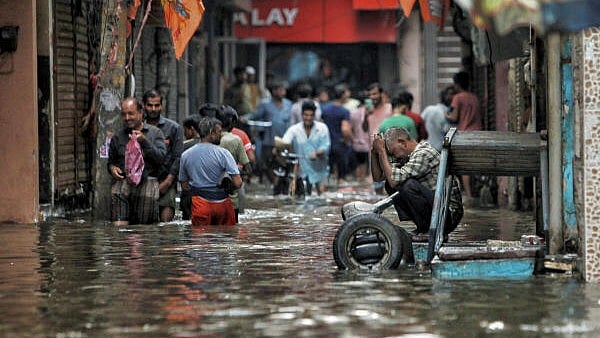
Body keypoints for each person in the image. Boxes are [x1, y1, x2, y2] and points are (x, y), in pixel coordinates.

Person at [371, 127, 463, 236]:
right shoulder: (407, 157)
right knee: (391, 185)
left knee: (407, 185)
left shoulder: (423, 153)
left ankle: (429, 230)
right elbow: (378, 177)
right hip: (438, 211)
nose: (394, 156)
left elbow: (394, 180)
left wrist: (382, 151)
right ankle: (423, 228)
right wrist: (374, 152)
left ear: (403, 143)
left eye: (393, 152)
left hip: (447, 215)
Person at [108, 97, 167, 225]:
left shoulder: (155, 133)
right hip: (123, 186)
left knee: (142, 232)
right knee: (119, 230)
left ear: (140, 113)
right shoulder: (118, 137)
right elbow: (111, 162)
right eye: (124, 114)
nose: (127, 118)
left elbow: (161, 159)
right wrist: (112, 169)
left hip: (147, 185)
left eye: (131, 113)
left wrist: (144, 141)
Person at [179, 117, 242, 226]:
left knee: (201, 240)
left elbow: (184, 186)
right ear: (211, 133)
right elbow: (238, 183)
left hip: (200, 204)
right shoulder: (223, 154)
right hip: (222, 205)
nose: (221, 135)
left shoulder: (186, 155)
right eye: (218, 132)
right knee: (226, 239)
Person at [143, 89, 184, 222]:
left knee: (165, 227)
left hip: (166, 181)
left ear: (162, 106)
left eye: (157, 105)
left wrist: (168, 182)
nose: (153, 109)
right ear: (144, 105)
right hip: (143, 182)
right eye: (150, 105)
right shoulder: (137, 127)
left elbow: (177, 157)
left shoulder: (173, 128)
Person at [280, 101, 330, 195]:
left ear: (314, 115)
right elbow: (285, 141)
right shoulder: (294, 129)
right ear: (302, 115)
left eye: (311, 115)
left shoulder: (322, 128)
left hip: (319, 168)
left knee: (322, 196)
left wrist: (317, 153)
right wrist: (280, 146)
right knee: (299, 195)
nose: (308, 118)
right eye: (306, 115)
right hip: (301, 169)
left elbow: (326, 145)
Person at [445, 71, 482, 199]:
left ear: (457, 84)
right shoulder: (474, 97)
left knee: (465, 166)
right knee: (475, 163)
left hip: (465, 134)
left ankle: (469, 195)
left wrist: (446, 115)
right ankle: (475, 191)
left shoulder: (458, 97)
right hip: (478, 134)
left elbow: (454, 117)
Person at [248, 81, 292, 185]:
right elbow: (254, 116)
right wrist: (245, 118)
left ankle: (280, 184)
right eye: (280, 90)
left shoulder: (288, 104)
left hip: (283, 140)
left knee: (284, 165)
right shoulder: (265, 104)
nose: (282, 92)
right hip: (269, 139)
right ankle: (274, 183)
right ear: (274, 91)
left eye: (283, 90)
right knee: (267, 165)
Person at [321, 84, 353, 185]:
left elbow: (321, 126)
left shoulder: (325, 109)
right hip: (339, 144)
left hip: (326, 145)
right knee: (341, 178)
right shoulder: (344, 111)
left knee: (328, 176)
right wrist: (350, 139)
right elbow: (345, 130)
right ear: (342, 95)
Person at [180, 114, 202, 221]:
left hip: (189, 194)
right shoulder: (212, 145)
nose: (184, 134)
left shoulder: (184, 146)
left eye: (185, 130)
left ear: (191, 129)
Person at [420, 86, 456, 151]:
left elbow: (420, 123)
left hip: (426, 146)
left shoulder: (429, 109)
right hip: (440, 149)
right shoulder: (448, 115)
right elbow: (447, 132)